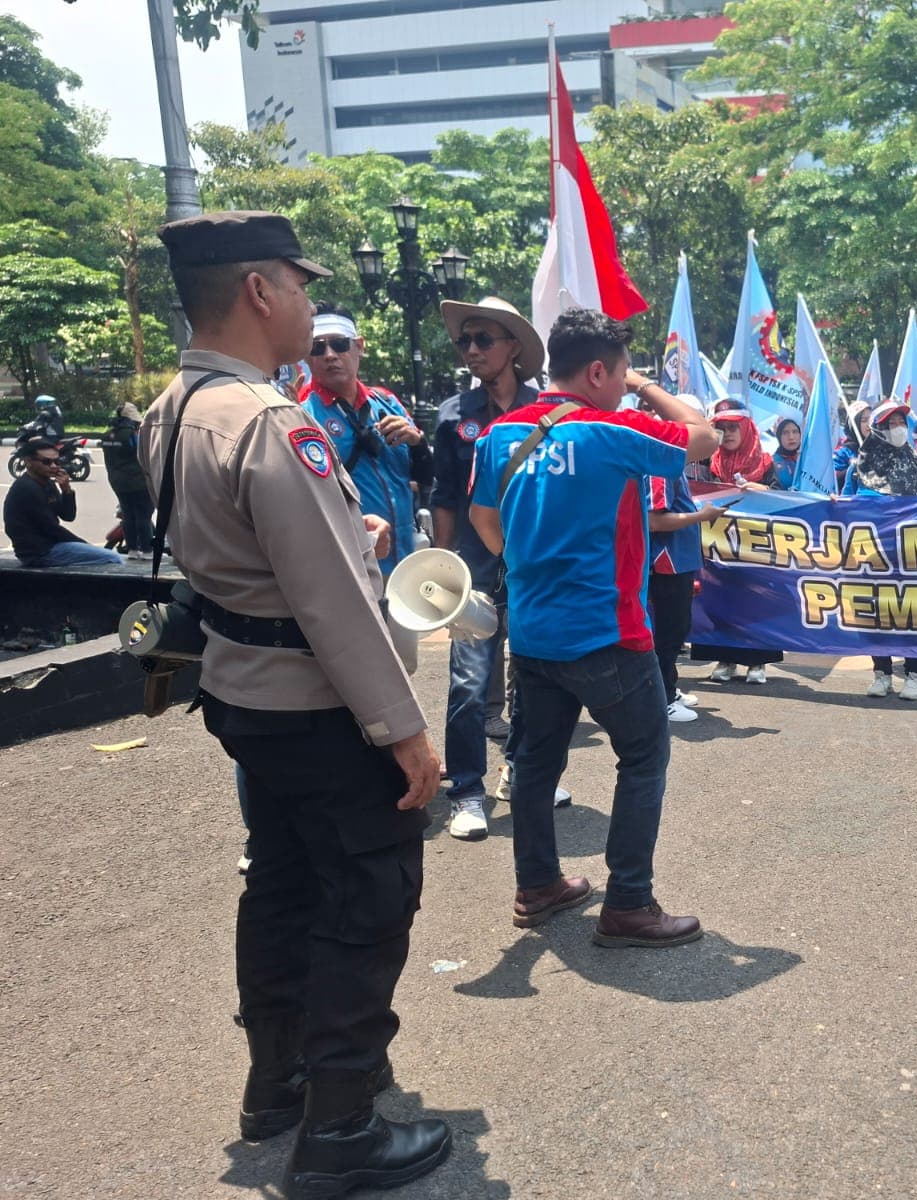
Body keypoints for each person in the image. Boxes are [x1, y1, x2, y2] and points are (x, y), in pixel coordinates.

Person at [140, 211, 449, 1194]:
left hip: (242, 695)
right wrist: (404, 734)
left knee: (278, 885)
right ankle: (343, 1126)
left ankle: (278, 1083)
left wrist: (340, 534)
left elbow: (241, 559)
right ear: (260, 292)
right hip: (318, 708)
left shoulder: (173, 409)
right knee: (366, 897)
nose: (312, 306)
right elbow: (335, 608)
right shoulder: (272, 423)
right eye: (300, 285)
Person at [467, 307, 718, 946]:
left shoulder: (498, 435)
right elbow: (706, 437)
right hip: (607, 630)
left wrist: (528, 567)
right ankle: (629, 902)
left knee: (535, 762)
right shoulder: (610, 430)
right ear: (601, 370)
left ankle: (538, 885)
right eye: (624, 371)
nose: (627, 381)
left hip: (531, 630)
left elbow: (482, 518)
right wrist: (648, 391)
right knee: (643, 756)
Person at [432, 295, 565, 840]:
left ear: (514, 347)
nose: (471, 350)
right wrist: (440, 571)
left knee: (536, 680)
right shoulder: (451, 417)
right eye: (465, 341)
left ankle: (523, 772)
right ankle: (467, 790)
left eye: (483, 339)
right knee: (468, 681)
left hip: (537, 569)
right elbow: (444, 499)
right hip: (475, 570)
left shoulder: (556, 412)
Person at [298, 303, 432, 576]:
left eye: (339, 344)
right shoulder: (301, 412)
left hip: (406, 561)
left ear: (359, 346)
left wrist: (417, 442)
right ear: (307, 357)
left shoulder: (387, 402)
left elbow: (426, 477)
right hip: (350, 568)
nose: (330, 355)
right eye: (317, 348)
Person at [844, 399, 917, 701]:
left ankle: (914, 674)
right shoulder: (858, 468)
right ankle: (882, 673)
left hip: (910, 554)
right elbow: (845, 505)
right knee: (875, 614)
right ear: (877, 429)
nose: (898, 428)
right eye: (891, 424)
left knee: (911, 614)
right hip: (871, 556)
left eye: (902, 422)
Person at [693, 397, 785, 684]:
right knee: (721, 598)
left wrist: (762, 490)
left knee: (755, 601)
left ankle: (757, 663)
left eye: (734, 427)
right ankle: (725, 659)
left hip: (756, 549)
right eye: (722, 427)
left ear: (747, 428)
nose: (729, 433)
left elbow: (786, 503)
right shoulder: (709, 465)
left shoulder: (767, 464)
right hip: (719, 549)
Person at [648, 406, 728, 725]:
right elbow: (654, 521)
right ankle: (662, 698)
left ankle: (670, 687)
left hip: (679, 557)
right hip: (665, 561)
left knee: (676, 629)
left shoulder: (675, 463)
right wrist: (702, 516)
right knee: (668, 631)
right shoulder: (660, 466)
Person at [4, 438, 123, 567]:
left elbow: (68, 516)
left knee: (107, 557)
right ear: (28, 462)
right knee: (113, 558)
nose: (53, 466)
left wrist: (66, 490)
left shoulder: (47, 483)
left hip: (51, 545)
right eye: (46, 462)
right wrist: (86, 546)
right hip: (39, 552)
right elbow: (51, 529)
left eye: (57, 461)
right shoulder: (26, 488)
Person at [102, 402, 155, 559]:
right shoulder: (133, 435)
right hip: (138, 482)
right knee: (143, 515)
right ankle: (146, 550)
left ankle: (132, 549)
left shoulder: (107, 435)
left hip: (117, 483)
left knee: (128, 514)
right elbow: (146, 455)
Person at [833, 397, 871, 488]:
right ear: (854, 425)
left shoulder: (881, 448)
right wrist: (855, 468)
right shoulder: (843, 453)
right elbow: (833, 480)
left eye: (871, 419)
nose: (869, 424)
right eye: (864, 420)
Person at [770, 414, 802, 489]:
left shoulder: (808, 459)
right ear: (779, 437)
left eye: (795, 431)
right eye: (785, 433)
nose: (791, 437)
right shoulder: (771, 463)